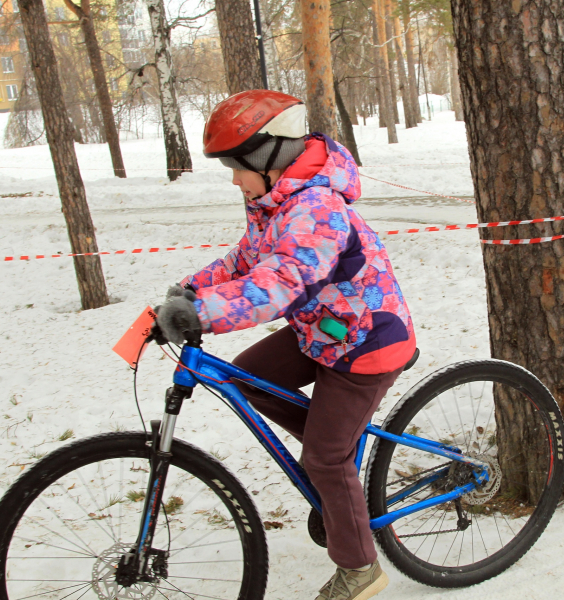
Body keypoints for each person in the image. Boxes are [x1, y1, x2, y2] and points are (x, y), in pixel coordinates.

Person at [154, 90, 416, 600]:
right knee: (243, 378)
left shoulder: (317, 207)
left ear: (269, 157)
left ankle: (360, 570)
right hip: (322, 331)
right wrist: (191, 290)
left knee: (324, 458)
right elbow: (247, 258)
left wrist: (203, 313)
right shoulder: (272, 200)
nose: (233, 178)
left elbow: (282, 282)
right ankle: (336, 454)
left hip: (366, 342)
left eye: (236, 166)